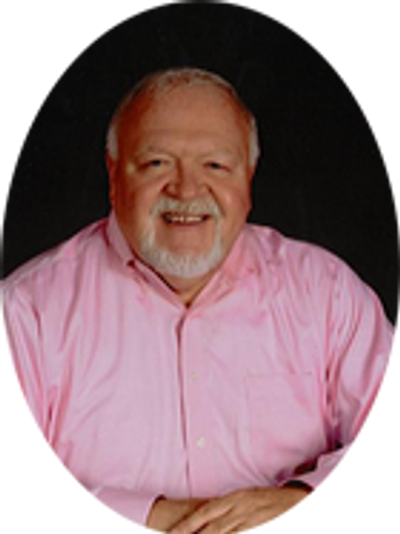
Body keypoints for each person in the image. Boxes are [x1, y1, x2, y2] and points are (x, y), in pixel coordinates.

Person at [1, 67, 397, 533]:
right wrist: (151, 520)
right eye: (157, 163)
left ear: (248, 178)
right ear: (113, 174)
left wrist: (303, 499)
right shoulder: (27, 311)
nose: (186, 190)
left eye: (215, 166)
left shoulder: (326, 293)